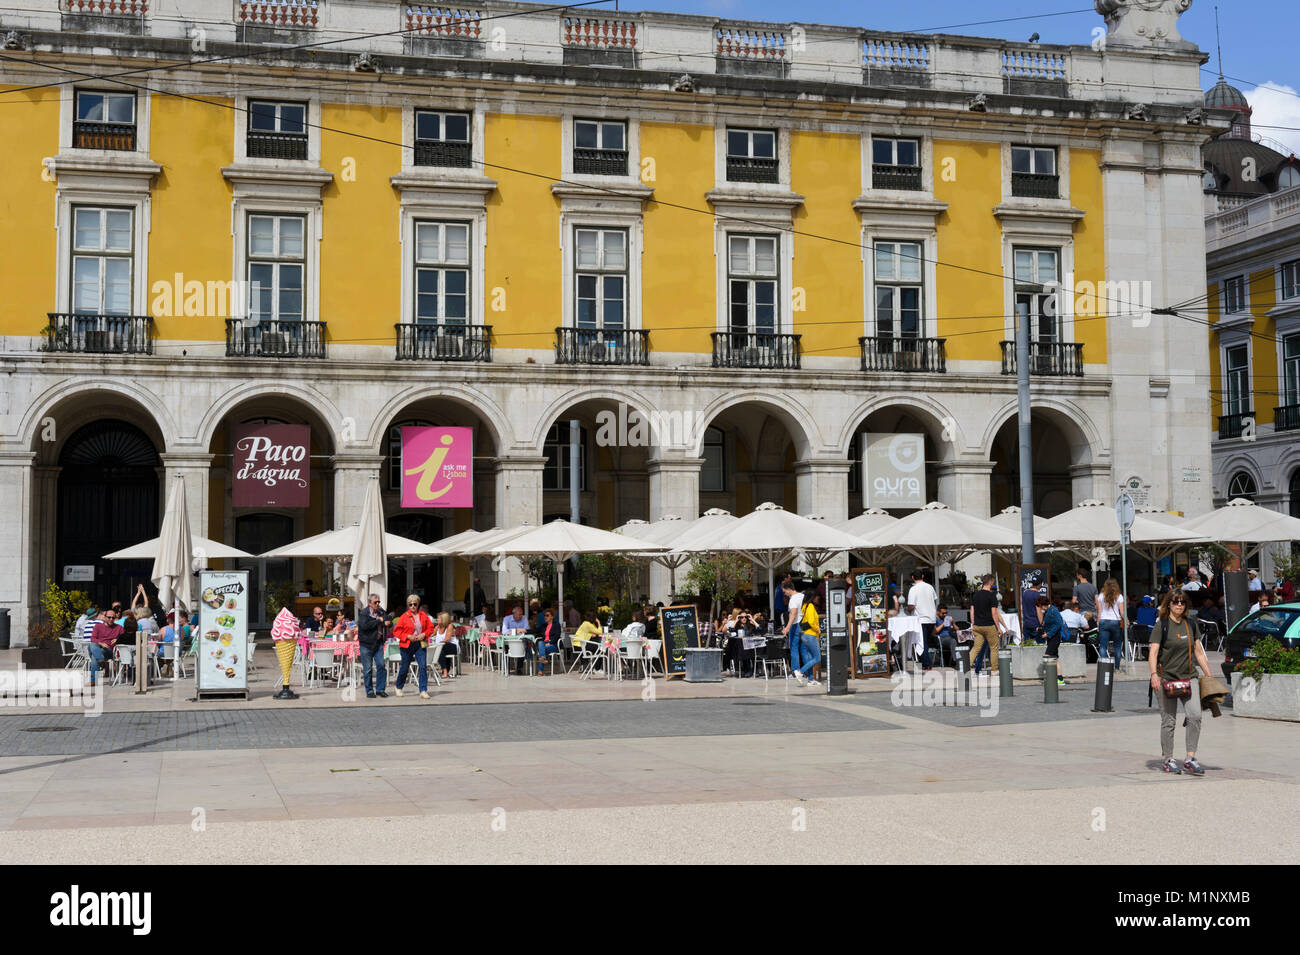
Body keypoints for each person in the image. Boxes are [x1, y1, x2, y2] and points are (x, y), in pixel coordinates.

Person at [1149, 590, 1213, 775]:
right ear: (1168, 604)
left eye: (1182, 602)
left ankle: (1190, 758)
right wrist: (1154, 675)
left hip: (1189, 676)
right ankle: (1168, 759)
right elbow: (1153, 653)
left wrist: (1208, 675)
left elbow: (1199, 652)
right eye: (1175, 602)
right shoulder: (1162, 625)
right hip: (1165, 678)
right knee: (1169, 721)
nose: (1179, 605)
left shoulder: (1191, 625)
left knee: (1195, 716)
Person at [389, 594, 432, 699]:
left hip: (419, 643)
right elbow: (396, 631)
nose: (412, 606)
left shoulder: (423, 616)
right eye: (410, 604)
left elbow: (430, 628)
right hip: (407, 644)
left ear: (418, 604)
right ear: (408, 605)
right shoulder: (404, 617)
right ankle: (398, 687)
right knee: (405, 667)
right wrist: (407, 636)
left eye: (415, 604)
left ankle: (423, 690)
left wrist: (424, 634)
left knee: (422, 666)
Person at [968, 574, 1007, 676]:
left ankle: (966, 667)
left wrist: (973, 624)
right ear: (990, 582)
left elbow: (972, 610)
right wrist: (999, 628)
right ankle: (994, 670)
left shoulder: (975, 595)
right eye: (993, 582)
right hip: (989, 626)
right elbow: (994, 613)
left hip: (977, 626)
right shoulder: (991, 596)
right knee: (994, 647)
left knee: (976, 648)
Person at [356, 595, 393, 698]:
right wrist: (379, 621)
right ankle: (369, 691)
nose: (377, 604)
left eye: (378, 602)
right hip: (366, 645)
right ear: (369, 603)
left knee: (381, 666)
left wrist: (389, 623)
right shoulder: (364, 613)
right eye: (375, 602)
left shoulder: (381, 612)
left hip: (378, 643)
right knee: (367, 669)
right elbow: (364, 626)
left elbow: (387, 620)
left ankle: (380, 689)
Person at [907, 569, 939, 670]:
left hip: (921, 619)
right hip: (931, 618)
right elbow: (934, 599)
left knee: (922, 642)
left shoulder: (913, 589)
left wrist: (906, 610)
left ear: (913, 578)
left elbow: (911, 606)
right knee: (926, 642)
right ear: (923, 576)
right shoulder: (930, 587)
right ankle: (927, 662)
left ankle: (927, 664)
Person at [1036, 594, 1069, 687]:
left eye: (1041, 606)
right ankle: (1060, 679)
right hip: (1051, 637)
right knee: (1055, 658)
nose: (1040, 609)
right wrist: (1041, 628)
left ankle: (1049, 678)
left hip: (1055, 637)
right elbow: (1049, 624)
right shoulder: (1048, 611)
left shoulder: (1053, 610)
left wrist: (1048, 634)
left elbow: (1058, 624)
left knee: (1047, 657)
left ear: (1044, 604)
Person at [88, 606, 124, 687]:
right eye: (109, 617)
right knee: (93, 645)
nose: (111, 619)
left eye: (113, 617)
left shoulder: (119, 627)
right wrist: (101, 643)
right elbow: (93, 638)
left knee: (94, 654)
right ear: (104, 617)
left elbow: (125, 637)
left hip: (109, 651)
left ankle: (94, 680)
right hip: (98, 648)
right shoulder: (98, 627)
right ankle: (100, 659)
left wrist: (118, 640)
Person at [792, 588, 821, 687]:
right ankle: (800, 672)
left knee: (809, 658)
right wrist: (818, 629)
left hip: (804, 634)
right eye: (816, 596)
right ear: (812, 597)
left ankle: (811, 679)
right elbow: (811, 621)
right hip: (810, 635)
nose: (818, 598)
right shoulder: (811, 606)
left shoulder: (804, 606)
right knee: (817, 657)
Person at [1096, 577, 1126, 662]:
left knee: (1103, 646)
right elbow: (1122, 612)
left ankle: (1104, 666)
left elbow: (1099, 611)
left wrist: (1098, 623)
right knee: (1117, 646)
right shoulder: (1119, 596)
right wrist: (1126, 620)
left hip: (1103, 621)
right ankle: (1116, 668)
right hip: (1115, 621)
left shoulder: (1101, 596)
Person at [780, 581, 806, 678]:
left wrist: (787, 627)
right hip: (804, 625)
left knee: (794, 649)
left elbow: (793, 614)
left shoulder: (793, 599)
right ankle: (806, 671)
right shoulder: (802, 596)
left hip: (796, 625)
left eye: (784, 591)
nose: (784, 594)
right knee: (804, 649)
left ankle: (795, 671)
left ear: (789, 589)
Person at [431, 611, 458, 679]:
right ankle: (445, 670)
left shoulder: (449, 626)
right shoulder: (437, 627)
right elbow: (430, 634)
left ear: (444, 619)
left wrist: (438, 644)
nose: (437, 619)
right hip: (441, 647)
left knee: (440, 647)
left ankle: (445, 670)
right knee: (440, 651)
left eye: (438, 618)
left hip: (452, 647)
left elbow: (447, 639)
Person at [533, 608, 561, 674]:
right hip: (544, 645)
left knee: (541, 648)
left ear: (552, 616)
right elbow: (535, 631)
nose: (545, 617)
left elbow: (557, 636)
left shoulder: (556, 625)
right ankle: (543, 659)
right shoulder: (544, 626)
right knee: (540, 643)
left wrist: (550, 642)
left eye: (547, 615)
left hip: (553, 645)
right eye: (545, 615)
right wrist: (524, 631)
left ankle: (540, 670)